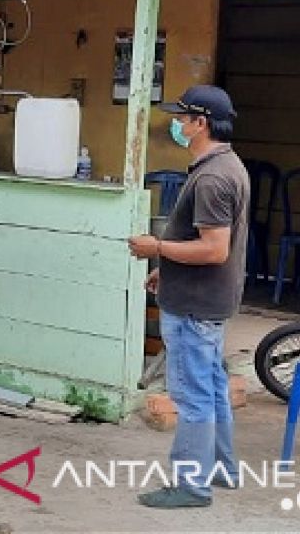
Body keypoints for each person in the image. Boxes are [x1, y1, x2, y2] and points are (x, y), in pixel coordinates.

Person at [128, 85, 249, 509]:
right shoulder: (227, 165)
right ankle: (221, 468)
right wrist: (170, 267)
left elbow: (214, 248)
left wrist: (157, 248)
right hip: (208, 300)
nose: (176, 125)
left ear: (201, 123)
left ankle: (192, 486)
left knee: (194, 395)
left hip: (196, 307)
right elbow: (209, 243)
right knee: (213, 386)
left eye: (182, 119)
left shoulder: (213, 177)